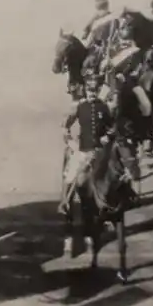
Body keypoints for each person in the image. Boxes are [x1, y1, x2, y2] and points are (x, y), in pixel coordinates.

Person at [60, 72, 113, 214]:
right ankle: (64, 201)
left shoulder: (103, 107)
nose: (92, 93)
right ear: (85, 90)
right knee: (71, 172)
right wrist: (70, 140)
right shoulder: (79, 107)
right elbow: (65, 126)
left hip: (100, 149)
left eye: (95, 90)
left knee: (116, 171)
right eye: (90, 90)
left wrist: (107, 136)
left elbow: (112, 126)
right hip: (83, 148)